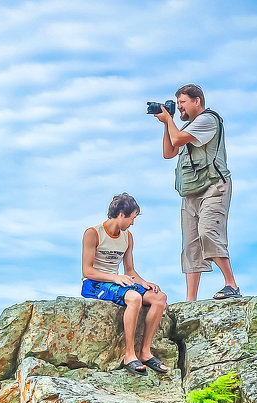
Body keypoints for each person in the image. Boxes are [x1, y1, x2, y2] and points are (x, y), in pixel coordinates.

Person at [153, 83, 240, 302]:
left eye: (182, 102)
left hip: (213, 187)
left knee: (208, 232)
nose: (180, 107)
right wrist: (167, 123)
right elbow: (168, 151)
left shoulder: (208, 120)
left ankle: (231, 285)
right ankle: (190, 300)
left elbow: (178, 140)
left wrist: (169, 121)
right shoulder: (186, 129)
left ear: (196, 101)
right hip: (191, 192)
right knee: (190, 245)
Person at [80, 193, 169, 375]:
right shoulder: (93, 233)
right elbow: (87, 271)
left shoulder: (127, 237)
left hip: (117, 282)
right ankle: (129, 355)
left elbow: (130, 271)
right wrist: (114, 278)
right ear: (121, 214)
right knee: (134, 298)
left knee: (159, 298)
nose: (132, 223)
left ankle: (145, 352)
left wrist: (144, 283)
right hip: (94, 284)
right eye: (132, 217)